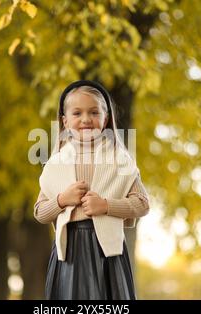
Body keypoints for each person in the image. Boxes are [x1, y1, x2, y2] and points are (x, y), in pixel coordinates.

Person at [34, 80, 150, 300]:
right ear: (65, 121)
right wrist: (61, 200)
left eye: (94, 112)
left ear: (105, 119)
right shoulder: (55, 164)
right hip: (69, 251)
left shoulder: (120, 160)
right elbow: (40, 212)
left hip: (107, 252)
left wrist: (106, 205)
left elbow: (142, 203)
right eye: (77, 113)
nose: (86, 119)